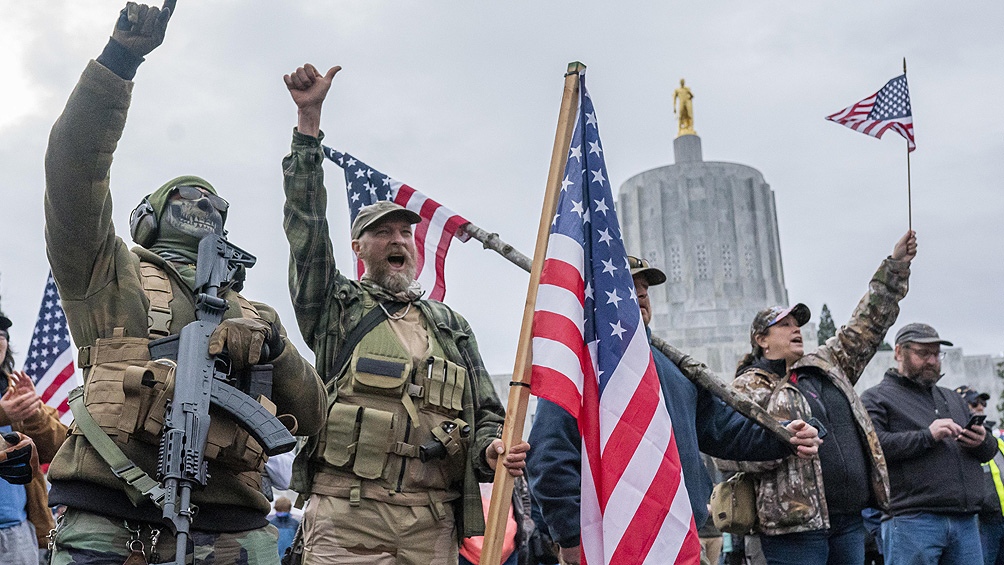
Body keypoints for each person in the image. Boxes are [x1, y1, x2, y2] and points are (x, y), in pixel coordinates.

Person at [43, 3, 326, 563]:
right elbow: (73, 170)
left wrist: (274, 346)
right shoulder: (109, 273)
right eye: (183, 194)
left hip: (235, 532)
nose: (201, 202)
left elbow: (312, 415)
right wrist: (119, 61)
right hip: (113, 520)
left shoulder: (253, 310)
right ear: (147, 217)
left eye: (213, 201)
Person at [282, 63, 528, 565]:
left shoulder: (450, 325)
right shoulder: (338, 310)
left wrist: (492, 451)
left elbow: (485, 416)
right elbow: (306, 231)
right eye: (383, 232)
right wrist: (309, 124)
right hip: (347, 520)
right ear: (359, 247)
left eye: (405, 233)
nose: (398, 240)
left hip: (431, 524)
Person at [526, 256, 822, 565]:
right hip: (611, 546)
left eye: (645, 288)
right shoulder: (580, 369)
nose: (641, 294)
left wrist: (784, 435)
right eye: (630, 284)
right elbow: (550, 455)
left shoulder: (674, 370)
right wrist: (571, 535)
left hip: (682, 540)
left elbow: (723, 429)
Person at [724, 231, 917, 565]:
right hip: (793, 532)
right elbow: (727, 453)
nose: (795, 328)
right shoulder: (747, 387)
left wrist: (896, 266)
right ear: (761, 339)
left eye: (797, 322)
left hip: (849, 521)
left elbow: (866, 325)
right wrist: (781, 441)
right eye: (783, 324)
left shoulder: (825, 364)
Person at [861, 325, 996, 565]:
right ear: (899, 352)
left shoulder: (952, 398)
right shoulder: (876, 398)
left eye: (937, 354)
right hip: (912, 520)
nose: (933, 361)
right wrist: (927, 436)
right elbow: (874, 449)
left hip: (965, 520)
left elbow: (988, 451)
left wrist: (982, 441)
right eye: (924, 354)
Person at [0, 313, 68, 563]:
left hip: (18, 531)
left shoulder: (17, 395)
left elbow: (60, 447)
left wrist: (34, 415)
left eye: (2, 335)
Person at [956, 386, 1004, 565]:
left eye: (982, 402)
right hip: (981, 522)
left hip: (1001, 517)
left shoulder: (995, 438)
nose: (980, 407)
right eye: (974, 403)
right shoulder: (958, 441)